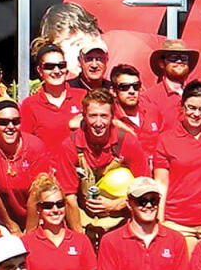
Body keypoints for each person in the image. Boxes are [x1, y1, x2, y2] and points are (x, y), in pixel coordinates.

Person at [151, 81, 201, 253]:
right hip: (178, 222)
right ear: (182, 106)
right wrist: (160, 219)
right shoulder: (166, 139)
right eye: (191, 108)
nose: (196, 113)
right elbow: (161, 183)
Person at [59, 88, 146, 241]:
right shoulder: (70, 145)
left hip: (122, 220)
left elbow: (144, 187)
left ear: (113, 117)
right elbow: (69, 197)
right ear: (84, 117)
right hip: (82, 217)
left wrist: (116, 205)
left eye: (104, 116)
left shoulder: (128, 142)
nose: (98, 123)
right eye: (93, 116)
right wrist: (81, 240)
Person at [22, 176, 97, 270]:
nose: (55, 210)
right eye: (48, 206)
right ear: (38, 209)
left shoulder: (81, 241)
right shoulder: (26, 244)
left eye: (60, 204)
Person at [0, 98, 55, 233]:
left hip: (38, 212)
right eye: (3, 122)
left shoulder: (35, 146)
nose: (10, 127)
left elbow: (37, 194)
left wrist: (29, 232)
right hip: (3, 214)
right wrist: (12, 227)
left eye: (15, 121)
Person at [20, 43, 84, 150]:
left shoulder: (82, 96)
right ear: (40, 71)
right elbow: (25, 144)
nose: (57, 71)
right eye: (49, 66)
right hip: (47, 166)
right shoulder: (30, 105)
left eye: (61, 65)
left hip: (79, 166)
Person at [146, 38, 201, 129]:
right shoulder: (149, 98)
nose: (179, 61)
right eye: (173, 57)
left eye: (184, 58)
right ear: (161, 63)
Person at [110, 65, 163, 148]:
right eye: (124, 87)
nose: (131, 91)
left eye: (136, 86)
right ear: (113, 91)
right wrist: (113, 122)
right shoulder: (109, 117)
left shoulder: (152, 110)